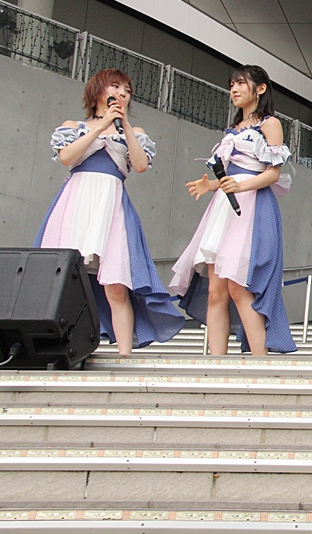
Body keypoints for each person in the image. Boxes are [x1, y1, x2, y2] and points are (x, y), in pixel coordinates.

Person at [35, 68, 184, 356]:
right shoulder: (75, 126)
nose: (123, 94)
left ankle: (124, 355)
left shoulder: (134, 133)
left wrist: (124, 125)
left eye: (127, 90)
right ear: (98, 90)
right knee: (65, 280)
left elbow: (140, 165)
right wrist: (101, 125)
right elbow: (67, 157)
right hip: (77, 202)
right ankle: (59, 349)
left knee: (116, 284)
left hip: (111, 205)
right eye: (116, 87)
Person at [169, 65, 296, 355]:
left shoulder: (270, 124)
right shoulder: (233, 129)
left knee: (239, 287)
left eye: (240, 83)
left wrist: (241, 186)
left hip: (253, 206)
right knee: (216, 291)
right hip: (225, 207)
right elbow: (230, 176)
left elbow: (273, 173)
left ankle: (260, 362)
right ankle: (217, 364)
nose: (234, 90)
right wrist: (211, 186)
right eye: (231, 85)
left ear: (260, 89)